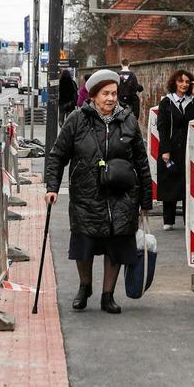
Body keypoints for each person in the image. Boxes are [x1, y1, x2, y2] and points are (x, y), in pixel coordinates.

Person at [44, 69, 152, 314]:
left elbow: (142, 162)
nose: (111, 98)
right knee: (85, 242)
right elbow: (58, 155)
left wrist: (146, 199)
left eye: (114, 93)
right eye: (105, 93)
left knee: (115, 244)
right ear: (93, 95)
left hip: (121, 195)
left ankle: (108, 295)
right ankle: (84, 287)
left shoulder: (128, 119)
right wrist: (52, 187)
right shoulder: (77, 119)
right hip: (86, 194)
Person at [156, 69, 194, 230]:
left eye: (187, 82)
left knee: (187, 183)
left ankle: (187, 219)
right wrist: (165, 150)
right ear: (174, 83)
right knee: (170, 181)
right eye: (181, 81)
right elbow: (162, 127)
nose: (184, 84)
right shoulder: (166, 102)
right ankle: (168, 220)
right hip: (170, 147)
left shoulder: (192, 100)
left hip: (188, 147)